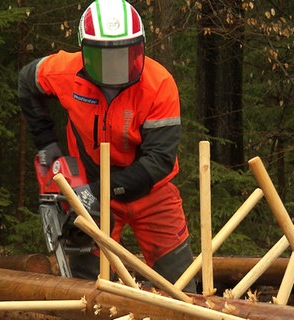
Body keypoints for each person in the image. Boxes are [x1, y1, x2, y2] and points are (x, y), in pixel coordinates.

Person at [18, 0, 196, 293]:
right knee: (90, 289)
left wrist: (100, 190)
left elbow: (159, 161)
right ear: (85, 53)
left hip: (152, 190)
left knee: (182, 285)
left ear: (140, 48)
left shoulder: (159, 84)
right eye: (105, 58)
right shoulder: (65, 71)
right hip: (91, 185)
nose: (116, 66)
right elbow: (28, 81)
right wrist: (47, 143)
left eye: (127, 55)